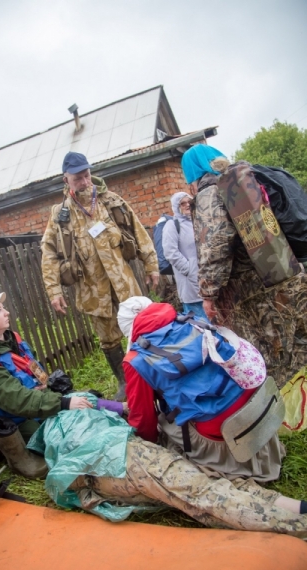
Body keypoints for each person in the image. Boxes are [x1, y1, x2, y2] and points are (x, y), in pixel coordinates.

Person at [28, 406, 307, 538]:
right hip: (130, 459)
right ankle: (296, 523)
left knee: (200, 494)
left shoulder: (56, 436)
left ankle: (297, 510)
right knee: (204, 492)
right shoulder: (65, 418)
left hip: (118, 479)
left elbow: (66, 483)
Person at [116, 296, 284, 482]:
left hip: (223, 429)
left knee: (165, 420)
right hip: (256, 403)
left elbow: (143, 419)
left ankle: (217, 465)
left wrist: (147, 444)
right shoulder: (193, 320)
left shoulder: (135, 360)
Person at [181, 144, 307, 388]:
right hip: (285, 270)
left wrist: (208, 294)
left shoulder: (209, 193)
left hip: (254, 292)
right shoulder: (243, 182)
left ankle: (285, 410)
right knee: (297, 343)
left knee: (275, 355)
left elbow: (215, 244)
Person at [41, 152, 159, 401]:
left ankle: (154, 374)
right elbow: (49, 253)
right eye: (78, 178)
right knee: (108, 339)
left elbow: (138, 231)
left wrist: (151, 265)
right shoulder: (60, 215)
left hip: (124, 284)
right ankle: (124, 382)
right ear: (66, 179)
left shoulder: (110, 200)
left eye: (86, 175)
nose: (84, 182)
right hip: (94, 291)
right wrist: (54, 290)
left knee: (141, 328)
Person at [0, 292, 122, 478]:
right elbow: (17, 401)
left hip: (39, 403)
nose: (7, 313)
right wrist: (62, 403)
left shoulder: (11, 339)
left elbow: (33, 372)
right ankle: (0, 446)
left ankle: (122, 410)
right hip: (16, 418)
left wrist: (52, 394)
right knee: (68, 439)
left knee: (87, 404)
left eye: (3, 308)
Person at [162, 192, 207, 319]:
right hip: (190, 284)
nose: (187, 205)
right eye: (183, 203)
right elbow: (170, 252)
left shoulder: (198, 221)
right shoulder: (172, 225)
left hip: (208, 279)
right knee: (201, 325)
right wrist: (189, 269)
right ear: (176, 206)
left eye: (189, 202)